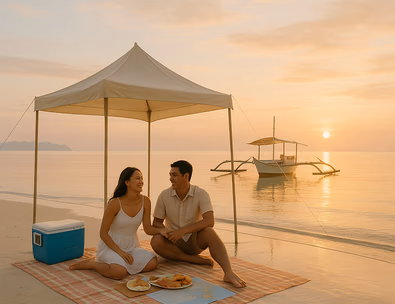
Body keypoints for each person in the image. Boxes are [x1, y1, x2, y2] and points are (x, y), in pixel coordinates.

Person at [151, 160, 247, 288]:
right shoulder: (164, 195)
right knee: (155, 240)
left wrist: (184, 231)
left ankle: (228, 273)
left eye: (174, 175)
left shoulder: (201, 193)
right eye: (170, 175)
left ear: (186, 176)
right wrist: (168, 232)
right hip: (173, 241)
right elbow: (156, 223)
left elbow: (209, 221)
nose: (170, 178)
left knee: (209, 232)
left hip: (194, 241)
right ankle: (191, 259)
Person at [69, 167, 164, 280]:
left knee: (152, 262)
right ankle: (93, 263)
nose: (141, 182)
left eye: (142, 178)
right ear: (127, 182)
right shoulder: (115, 203)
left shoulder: (146, 201)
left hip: (131, 246)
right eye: (137, 178)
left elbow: (147, 228)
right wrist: (120, 252)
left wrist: (162, 230)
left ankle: (120, 264)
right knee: (119, 273)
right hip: (111, 247)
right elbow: (103, 233)